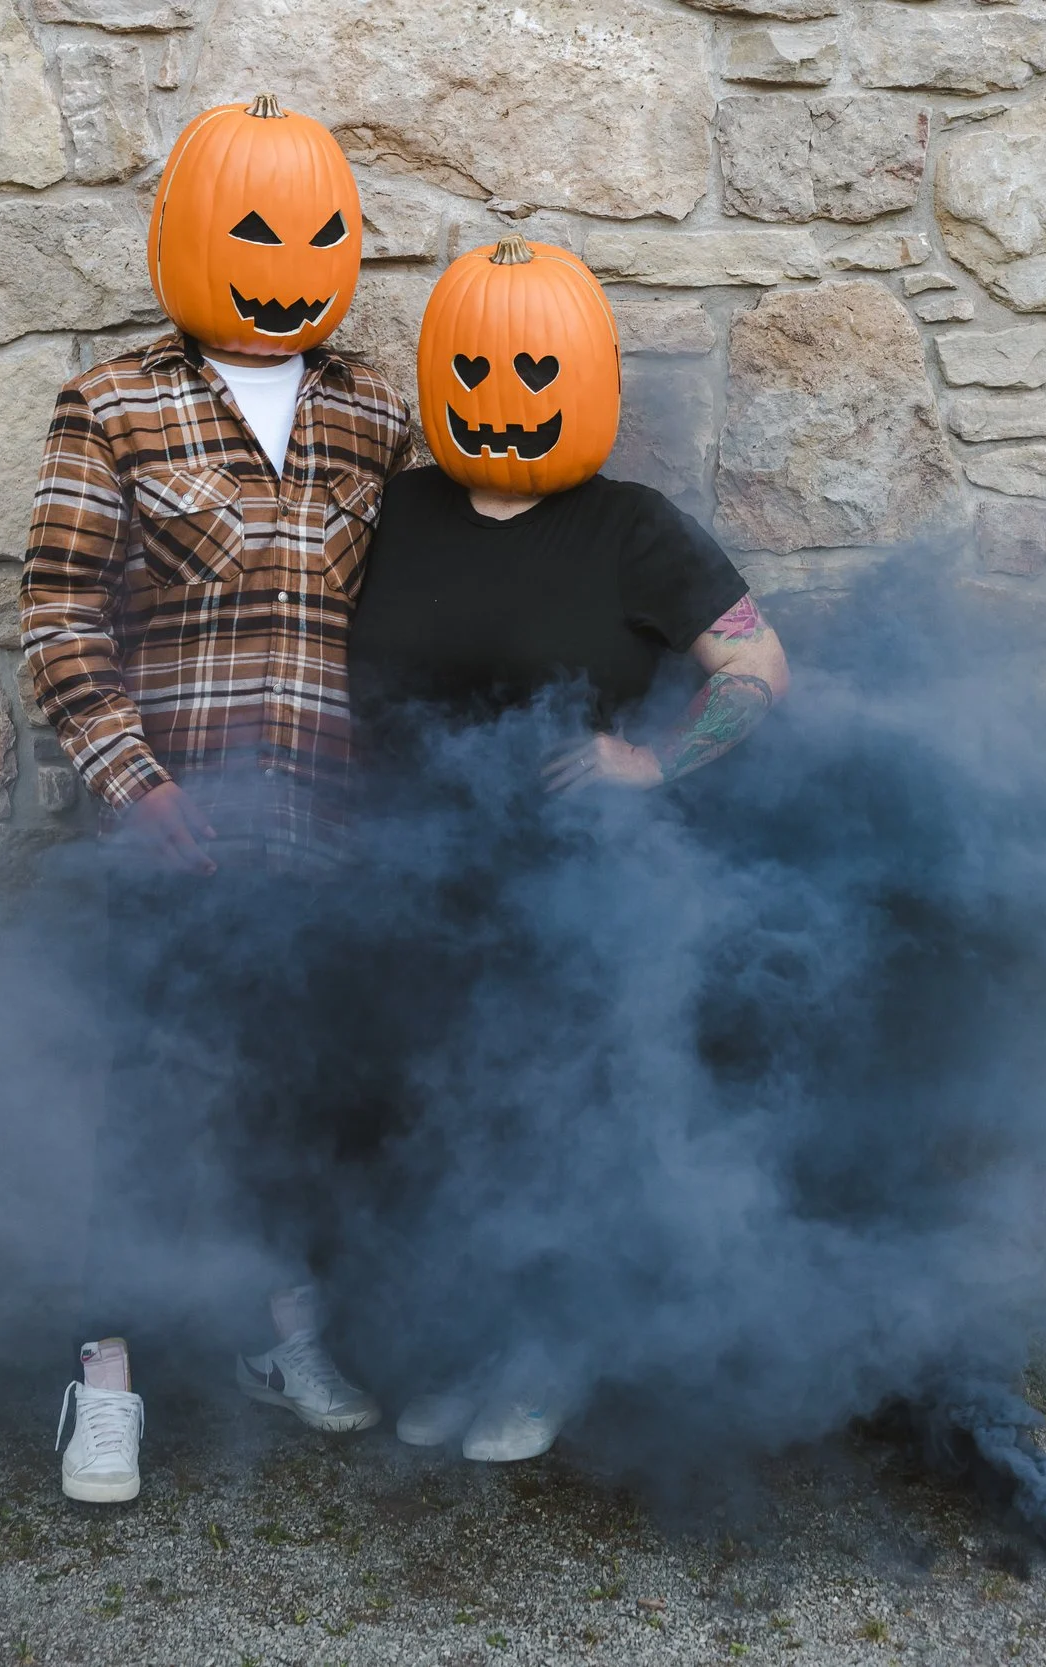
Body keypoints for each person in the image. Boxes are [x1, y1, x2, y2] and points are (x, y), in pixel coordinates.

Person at [21, 94, 412, 1506]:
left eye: (318, 233)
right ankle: (105, 1380)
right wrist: (136, 783)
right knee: (143, 1103)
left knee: (298, 1100)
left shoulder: (374, 410)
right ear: (188, 239)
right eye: (255, 230)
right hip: (168, 829)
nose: (286, 259)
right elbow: (59, 615)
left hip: (319, 835)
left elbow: (398, 626)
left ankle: (285, 1336)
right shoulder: (114, 402)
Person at [345, 237, 791, 1462]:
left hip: (571, 892)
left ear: (589, 372)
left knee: (553, 1120)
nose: (502, 389)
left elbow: (756, 666)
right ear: (440, 370)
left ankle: (543, 1358)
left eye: (533, 364)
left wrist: (653, 761)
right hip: (408, 881)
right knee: (433, 1125)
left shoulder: (631, 529)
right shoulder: (394, 509)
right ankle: (457, 1346)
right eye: (475, 363)